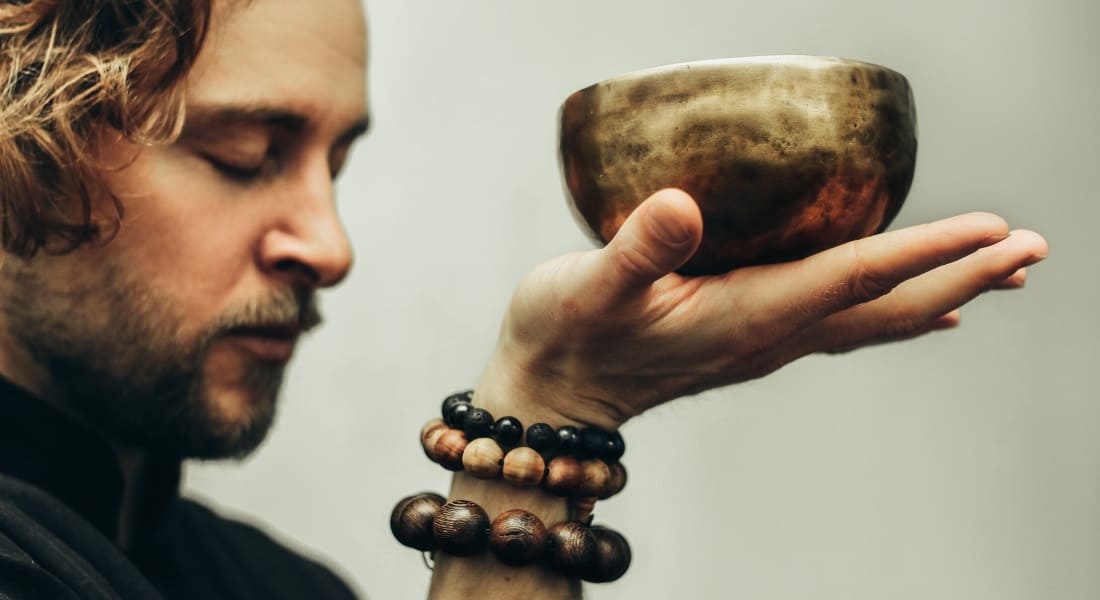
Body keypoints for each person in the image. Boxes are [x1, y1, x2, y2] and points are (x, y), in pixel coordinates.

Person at [0, 0, 1048, 599]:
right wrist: (544, 410)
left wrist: (557, 405)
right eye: (244, 156)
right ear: (18, 149)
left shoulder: (275, 590)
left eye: (336, 163)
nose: (328, 244)